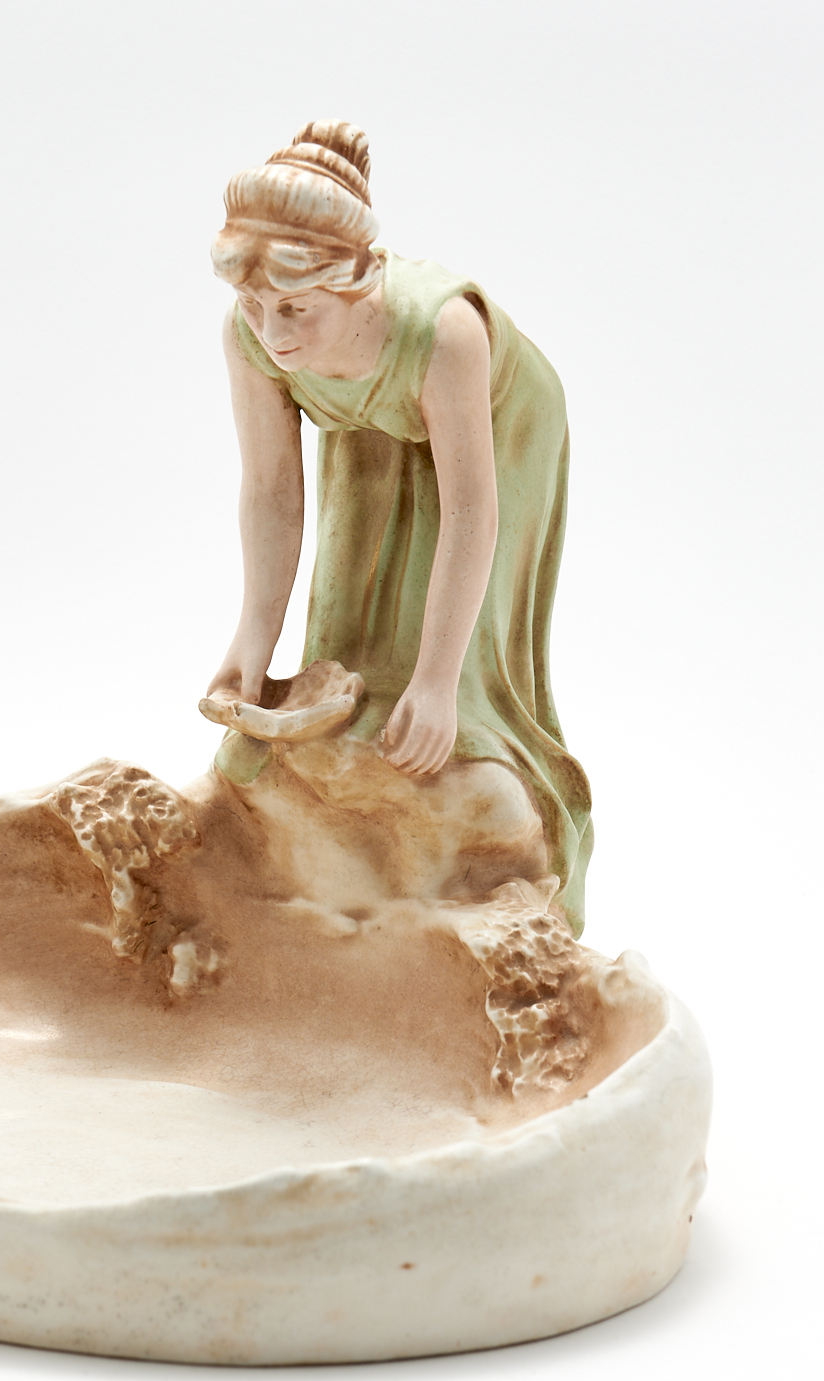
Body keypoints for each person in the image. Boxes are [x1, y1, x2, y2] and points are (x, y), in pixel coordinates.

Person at [205, 121, 593, 933]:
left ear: (355, 281)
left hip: (501, 429)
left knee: (457, 654)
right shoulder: (254, 341)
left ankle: (482, 750)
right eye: (254, 304)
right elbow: (271, 492)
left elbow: (471, 510)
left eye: (296, 308)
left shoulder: (441, 332)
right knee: (355, 597)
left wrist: (439, 681)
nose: (275, 334)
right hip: (373, 427)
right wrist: (252, 642)